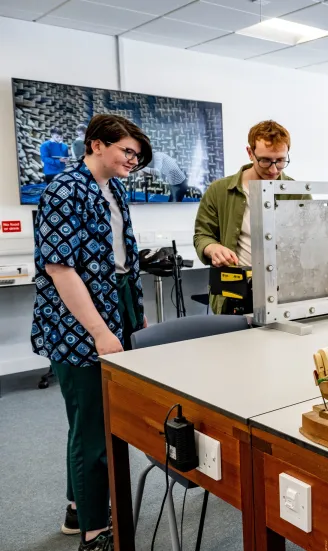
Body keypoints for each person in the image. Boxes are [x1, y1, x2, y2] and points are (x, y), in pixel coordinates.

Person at [32, 114, 152, 551]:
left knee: (87, 421)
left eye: (137, 157)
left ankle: (76, 508)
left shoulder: (115, 188)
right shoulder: (65, 189)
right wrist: (100, 331)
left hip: (114, 303)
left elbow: (122, 259)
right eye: (127, 152)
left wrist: (133, 315)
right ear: (97, 145)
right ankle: (95, 533)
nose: (132, 161)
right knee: (94, 426)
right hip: (77, 319)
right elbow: (60, 269)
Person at [193, 120, 311, 314]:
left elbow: (311, 244)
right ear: (250, 153)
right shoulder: (219, 191)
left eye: (280, 160)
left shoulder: (297, 193)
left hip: (284, 292)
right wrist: (212, 248)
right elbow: (202, 235)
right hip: (234, 294)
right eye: (265, 160)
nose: (273, 169)